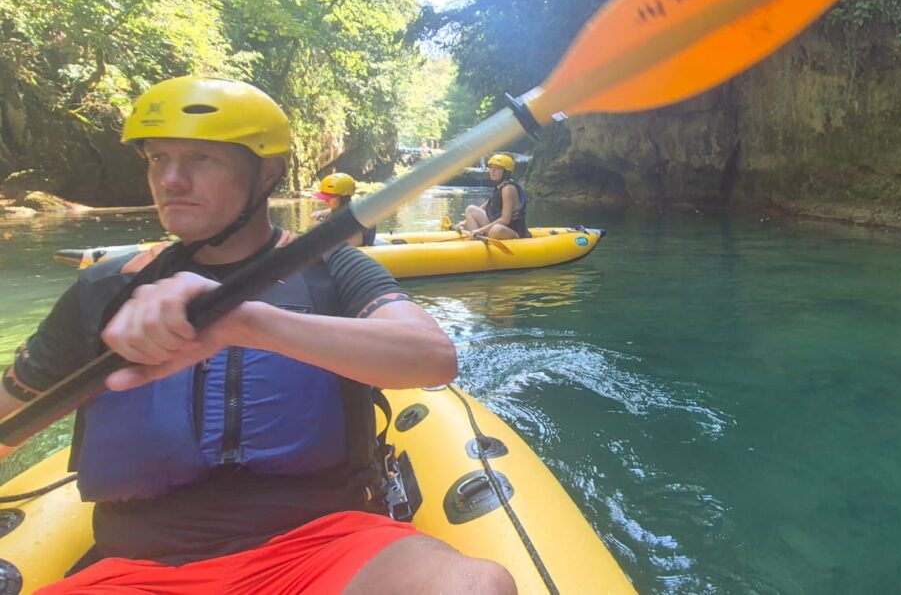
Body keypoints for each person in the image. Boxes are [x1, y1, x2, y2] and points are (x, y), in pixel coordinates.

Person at [0, 76, 515, 594]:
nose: (170, 180)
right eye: (158, 159)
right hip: (137, 568)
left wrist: (247, 323)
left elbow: (433, 358)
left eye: (201, 159)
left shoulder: (333, 267)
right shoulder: (105, 289)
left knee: (472, 586)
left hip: (326, 543)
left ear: (266, 172)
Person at [456, 153, 530, 240]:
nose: (492, 171)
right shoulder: (499, 186)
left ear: (506, 171)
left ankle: (514, 237)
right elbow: (483, 208)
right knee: (471, 209)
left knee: (495, 230)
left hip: (513, 230)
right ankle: (475, 241)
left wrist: (481, 229)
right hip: (499, 227)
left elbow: (505, 220)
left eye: (497, 168)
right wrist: (463, 223)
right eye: (491, 168)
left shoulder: (508, 188)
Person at [311, 172, 377, 246]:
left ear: (343, 197)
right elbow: (333, 212)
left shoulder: (352, 216)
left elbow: (356, 243)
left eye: (330, 197)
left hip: (360, 247)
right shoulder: (344, 208)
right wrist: (320, 213)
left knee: (317, 226)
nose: (326, 201)